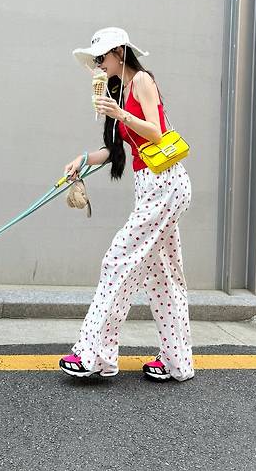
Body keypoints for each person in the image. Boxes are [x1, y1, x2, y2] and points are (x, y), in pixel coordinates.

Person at [59, 26, 193, 382]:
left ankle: (95, 356)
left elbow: (157, 132)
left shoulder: (142, 81)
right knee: (164, 278)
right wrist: (83, 160)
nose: (99, 65)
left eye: (101, 57)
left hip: (165, 184)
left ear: (119, 52)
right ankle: (177, 363)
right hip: (153, 188)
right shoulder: (119, 90)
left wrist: (121, 114)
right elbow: (116, 151)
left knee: (117, 261)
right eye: (95, 61)